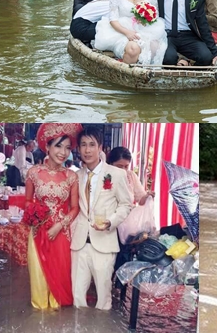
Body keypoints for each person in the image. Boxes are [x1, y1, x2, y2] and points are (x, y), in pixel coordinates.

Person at [71, 126, 132, 311]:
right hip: (79, 242)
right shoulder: (75, 176)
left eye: (92, 144)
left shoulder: (116, 174)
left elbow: (126, 205)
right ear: (78, 149)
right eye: (83, 145)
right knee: (77, 297)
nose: (87, 150)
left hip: (104, 242)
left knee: (103, 300)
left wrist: (110, 222)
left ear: (101, 148)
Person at [26, 123, 82, 309]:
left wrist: (59, 225)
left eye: (67, 148)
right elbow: (27, 201)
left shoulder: (71, 176)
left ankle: (55, 313)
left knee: (59, 273)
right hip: (38, 230)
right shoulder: (33, 172)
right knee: (39, 273)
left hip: (61, 231)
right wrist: (36, 217)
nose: (63, 152)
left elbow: (75, 208)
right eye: (58, 146)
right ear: (47, 146)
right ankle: (40, 309)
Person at [106, 147, 156, 239]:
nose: (123, 170)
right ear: (110, 164)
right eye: (119, 166)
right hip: (109, 225)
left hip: (127, 227)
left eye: (126, 166)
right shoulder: (105, 177)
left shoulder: (131, 176)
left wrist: (147, 197)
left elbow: (141, 201)